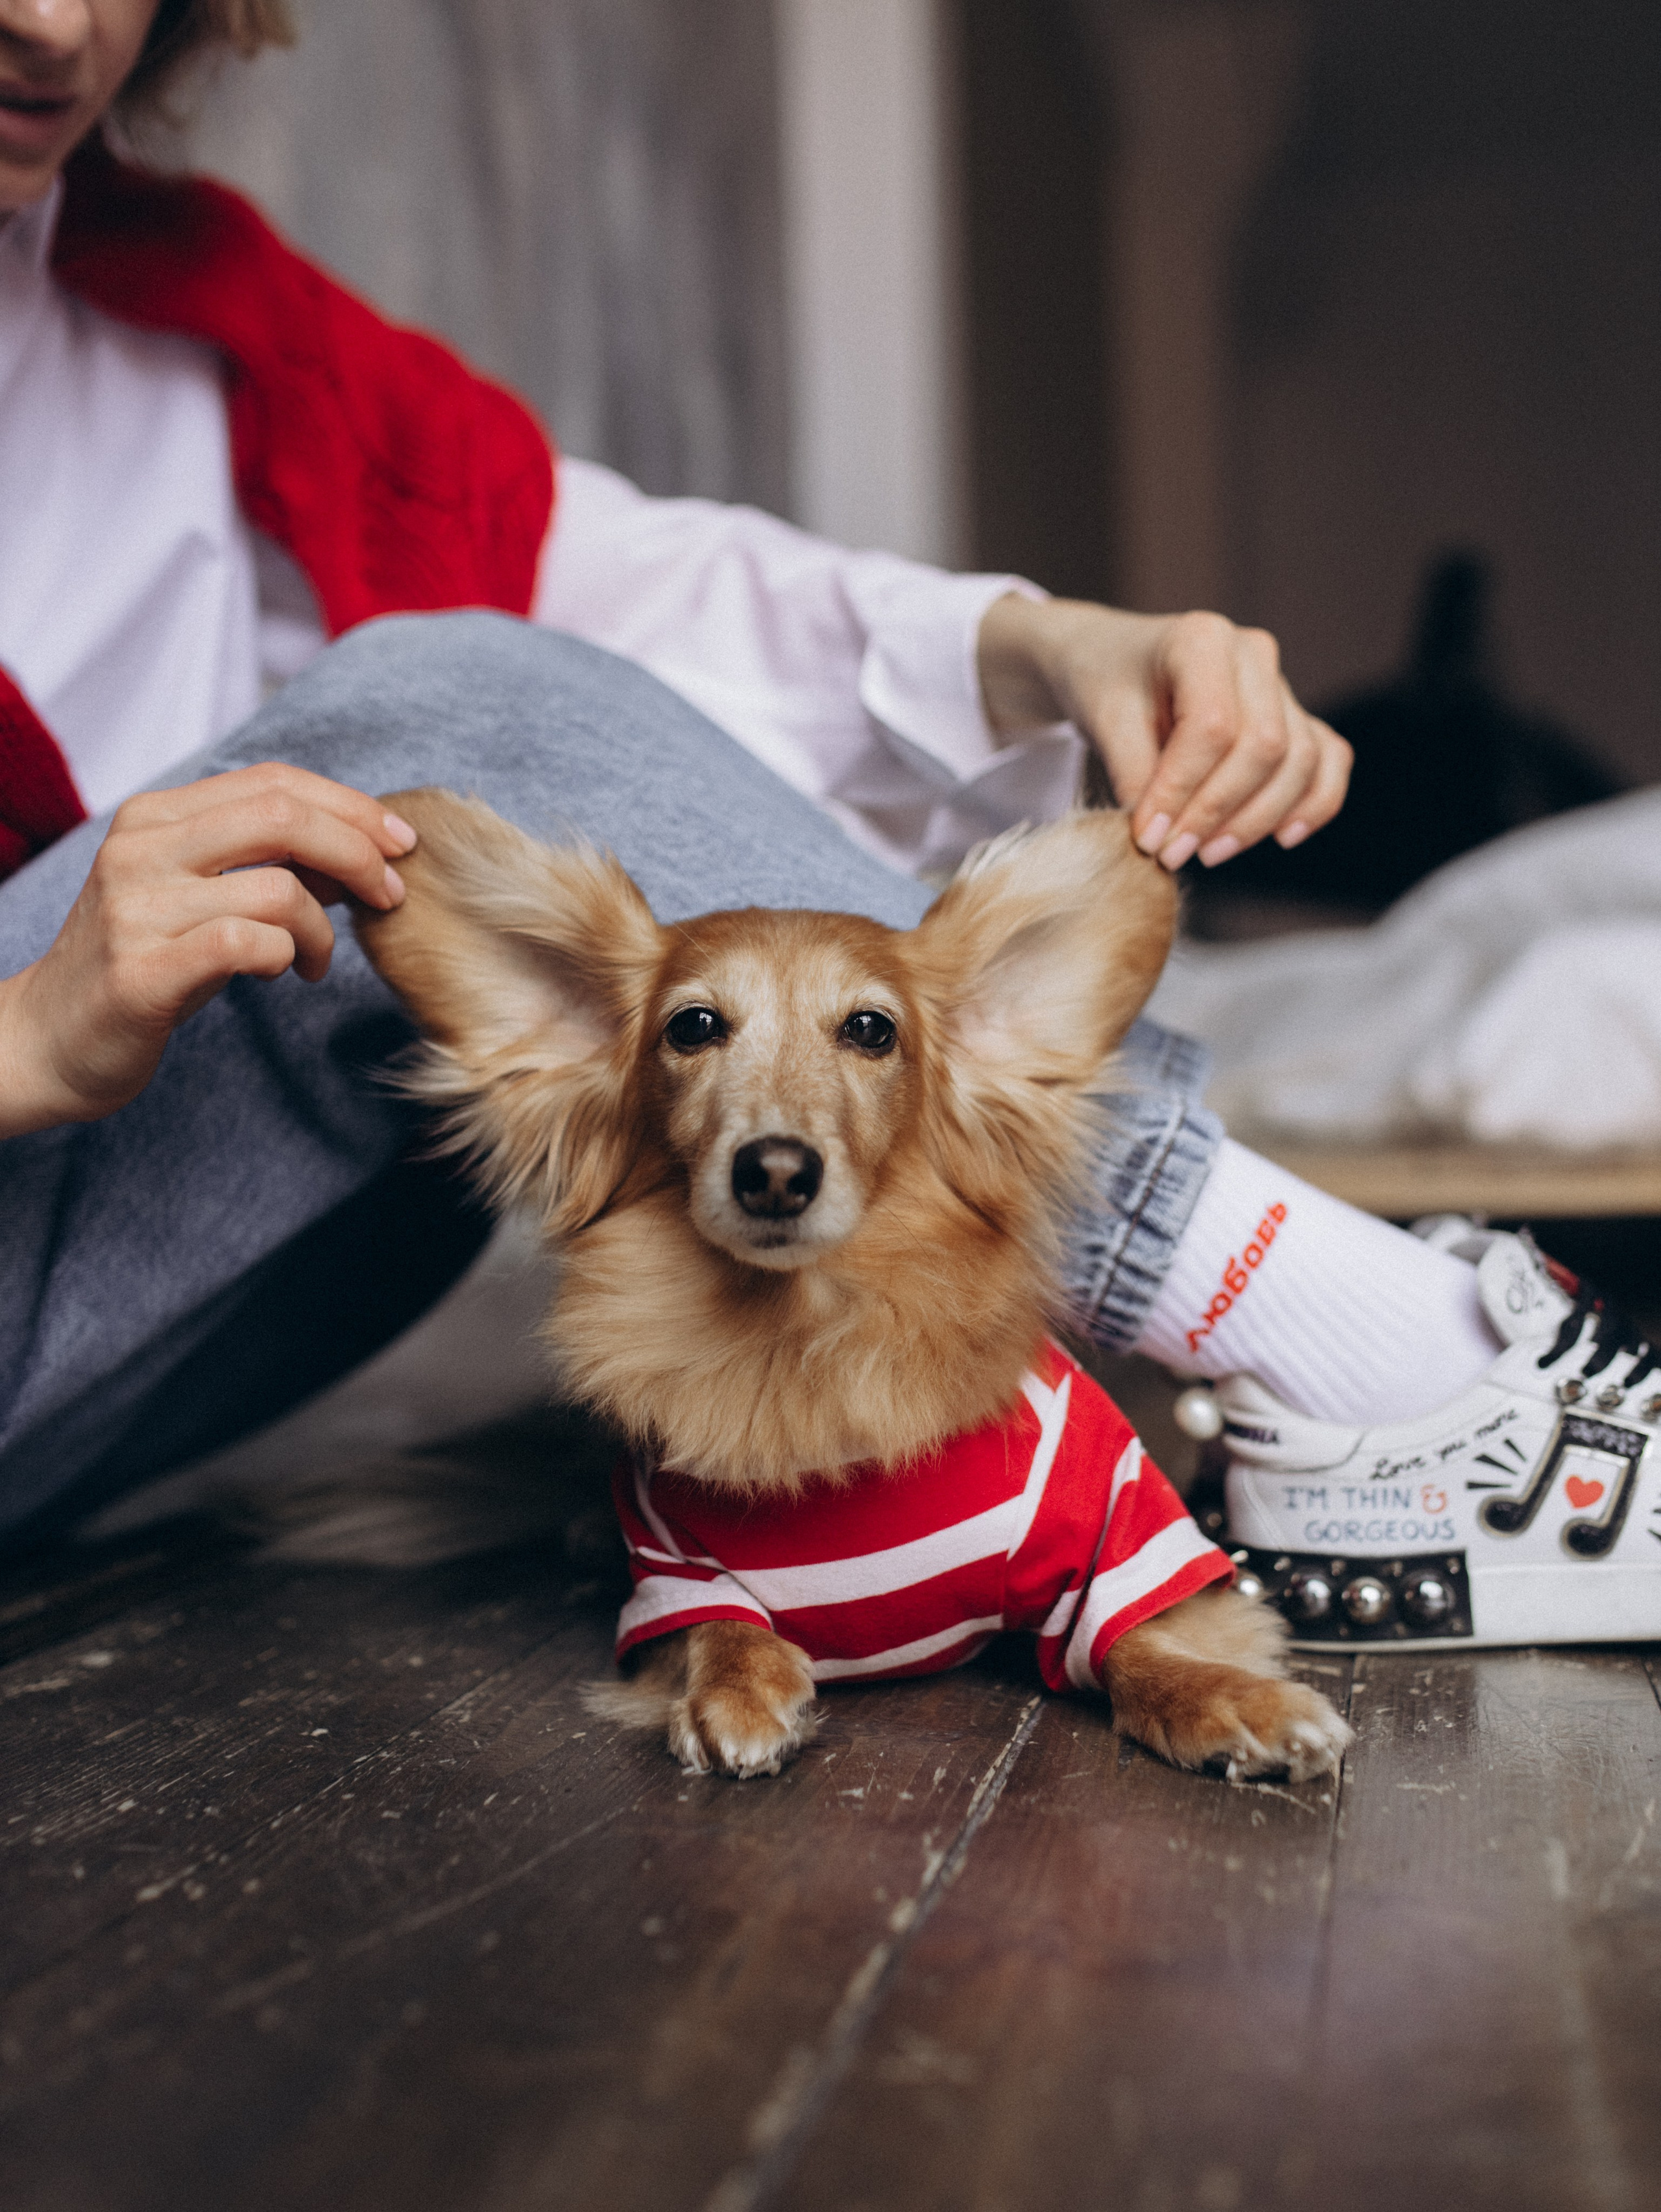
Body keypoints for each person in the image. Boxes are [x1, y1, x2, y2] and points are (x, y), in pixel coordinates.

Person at [1, 0, 1514, 1555]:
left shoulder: (193, 306)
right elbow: (458, 701)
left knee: (444, 800)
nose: (51, 22)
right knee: (423, 736)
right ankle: (1419, 1371)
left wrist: (1042, 646)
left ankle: (1360, 1348)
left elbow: (602, 601)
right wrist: (24, 1033)